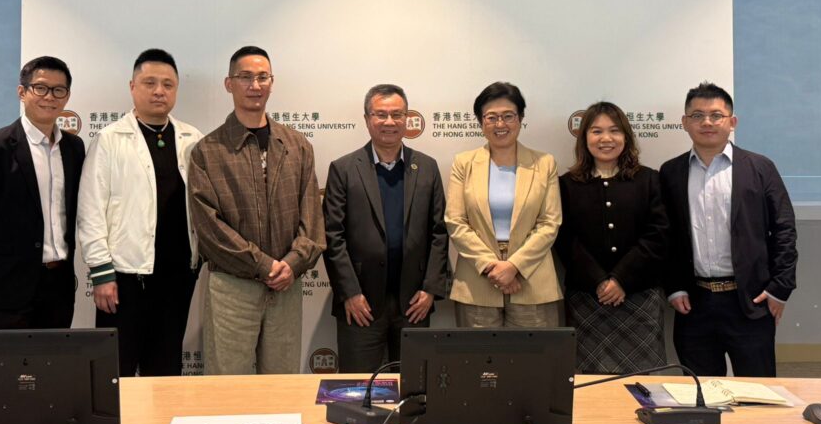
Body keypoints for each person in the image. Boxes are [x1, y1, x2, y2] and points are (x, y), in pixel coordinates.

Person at [189, 46, 325, 374]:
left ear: (272, 83)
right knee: (228, 384)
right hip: (232, 287)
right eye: (245, 77)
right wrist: (264, 266)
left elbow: (312, 220)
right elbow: (209, 229)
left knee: (281, 384)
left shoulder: (297, 146)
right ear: (229, 84)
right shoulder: (208, 151)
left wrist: (292, 264)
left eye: (263, 77)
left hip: (286, 285)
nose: (255, 85)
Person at [77, 49, 203, 377]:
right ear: (132, 87)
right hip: (124, 278)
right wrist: (101, 274)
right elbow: (90, 210)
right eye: (150, 83)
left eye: (168, 84)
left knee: (165, 368)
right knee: (116, 370)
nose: (159, 91)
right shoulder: (109, 140)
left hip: (177, 275)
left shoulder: (192, 139)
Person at [660, 82, 797, 377]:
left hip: (749, 301)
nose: (707, 122)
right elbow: (665, 237)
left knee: (758, 391)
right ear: (685, 123)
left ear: (732, 122)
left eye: (716, 115)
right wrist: (674, 287)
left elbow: (784, 229)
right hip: (694, 304)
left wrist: (779, 289)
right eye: (697, 116)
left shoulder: (760, 168)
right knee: (703, 393)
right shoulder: (670, 172)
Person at [323, 84, 449, 372]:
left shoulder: (427, 168)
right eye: (381, 114)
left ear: (407, 118)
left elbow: (439, 233)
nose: (389, 122)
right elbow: (333, 236)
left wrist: (430, 290)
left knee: (415, 385)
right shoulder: (343, 169)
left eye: (397, 114)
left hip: (414, 302)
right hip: (361, 303)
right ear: (367, 119)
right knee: (357, 387)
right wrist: (350, 293)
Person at [0, 56, 85, 329]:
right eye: (40, 88)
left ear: (67, 96)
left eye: (58, 90)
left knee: (54, 357)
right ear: (22, 92)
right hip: (5, 289)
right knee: (5, 358)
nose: (49, 97)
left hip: (59, 287)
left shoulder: (74, 148)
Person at [558, 101, 668, 374]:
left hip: (640, 295)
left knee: (643, 383)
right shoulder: (567, 184)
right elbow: (565, 239)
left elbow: (658, 234)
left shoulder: (649, 179)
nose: (606, 138)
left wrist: (620, 279)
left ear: (626, 137)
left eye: (614, 131)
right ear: (584, 138)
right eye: (596, 131)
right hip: (586, 297)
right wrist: (599, 280)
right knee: (588, 382)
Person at [445, 81, 563, 327]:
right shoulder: (463, 163)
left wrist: (514, 266)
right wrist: (492, 267)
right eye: (492, 117)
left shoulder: (544, 163)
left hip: (532, 280)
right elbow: (455, 221)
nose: (500, 124)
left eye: (508, 116)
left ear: (520, 119)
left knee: (533, 352)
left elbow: (549, 223)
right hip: (477, 281)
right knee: (478, 353)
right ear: (481, 122)